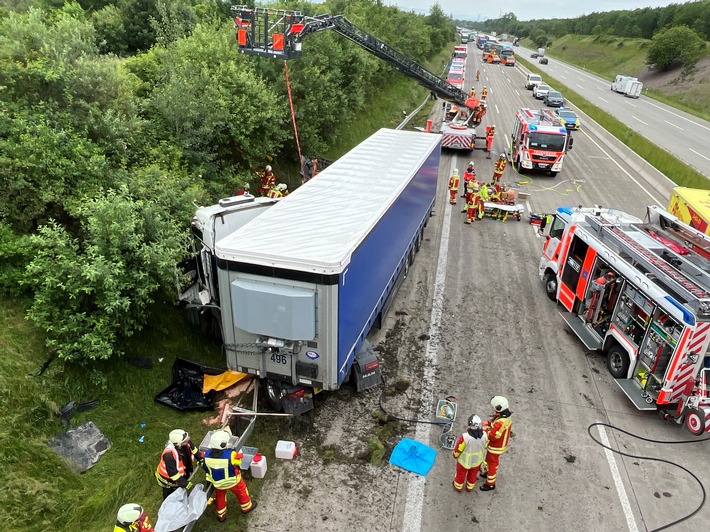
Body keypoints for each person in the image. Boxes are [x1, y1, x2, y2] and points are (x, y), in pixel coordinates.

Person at [202, 430, 257, 522]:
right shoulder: (231, 455)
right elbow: (239, 463)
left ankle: (221, 515)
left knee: (220, 497)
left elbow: (205, 467)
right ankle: (247, 507)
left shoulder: (206, 455)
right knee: (242, 492)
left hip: (218, 483)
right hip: (233, 481)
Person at [480, 396, 513, 492]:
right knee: (491, 461)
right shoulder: (505, 416)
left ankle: (490, 483)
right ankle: (488, 472)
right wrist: (487, 423)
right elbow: (494, 422)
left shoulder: (501, 421)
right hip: (499, 445)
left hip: (496, 446)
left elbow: (494, 436)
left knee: (492, 463)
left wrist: (484, 431)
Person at [155, 429, 197, 500]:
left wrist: (200, 458)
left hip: (181, 475)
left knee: (182, 492)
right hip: (168, 480)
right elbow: (173, 474)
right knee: (169, 495)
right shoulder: (169, 455)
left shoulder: (184, 441)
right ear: (178, 444)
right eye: (186, 440)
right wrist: (184, 483)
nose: (188, 439)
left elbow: (193, 449)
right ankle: (168, 505)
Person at [453, 414, 488, 492]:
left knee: (460, 474)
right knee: (473, 475)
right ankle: (470, 487)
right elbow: (486, 445)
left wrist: (455, 455)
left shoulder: (465, 437)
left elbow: (459, 448)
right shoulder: (485, 435)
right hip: (477, 461)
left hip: (464, 461)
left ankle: (458, 487)